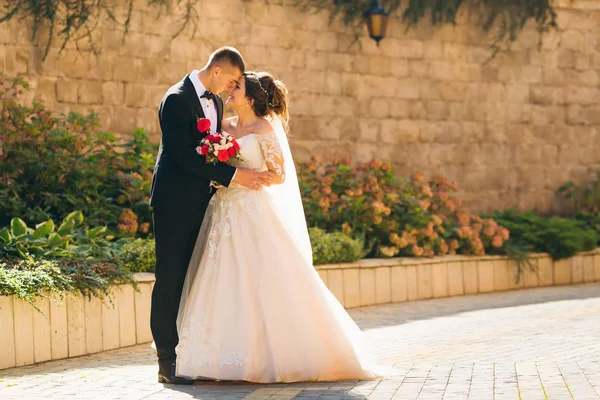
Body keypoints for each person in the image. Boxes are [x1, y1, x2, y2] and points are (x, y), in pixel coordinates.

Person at [174, 71, 383, 383]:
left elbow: (280, 173)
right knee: (222, 277)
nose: (230, 91)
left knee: (263, 279)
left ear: (252, 97)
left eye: (237, 87)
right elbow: (208, 162)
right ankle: (213, 360)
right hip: (223, 211)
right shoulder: (222, 126)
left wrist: (254, 177)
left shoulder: (264, 129)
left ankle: (269, 356)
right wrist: (222, 171)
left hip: (252, 210)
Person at [150, 47, 275, 384]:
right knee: (171, 278)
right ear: (217, 70)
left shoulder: (217, 104)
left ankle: (192, 352)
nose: (231, 88)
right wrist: (236, 177)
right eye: (232, 80)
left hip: (208, 204)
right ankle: (166, 361)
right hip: (174, 203)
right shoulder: (175, 99)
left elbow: (214, 149)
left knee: (198, 279)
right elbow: (183, 158)